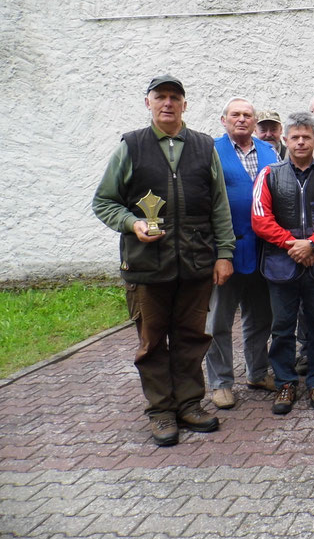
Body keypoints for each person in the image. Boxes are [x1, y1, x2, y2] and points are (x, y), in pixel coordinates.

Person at [92, 75, 235, 447]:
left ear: (185, 104)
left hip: (196, 261)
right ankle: (160, 411)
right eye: (161, 97)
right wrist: (132, 223)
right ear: (148, 103)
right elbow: (104, 201)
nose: (168, 103)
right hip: (146, 264)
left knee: (191, 337)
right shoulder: (131, 147)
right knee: (152, 341)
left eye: (175, 97)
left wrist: (224, 254)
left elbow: (219, 206)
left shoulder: (205, 147)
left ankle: (189, 404)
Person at [251, 112, 314, 414]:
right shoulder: (269, 175)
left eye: (307, 136)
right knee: (281, 327)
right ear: (285, 140)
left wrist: (313, 243)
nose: (301, 141)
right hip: (282, 264)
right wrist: (293, 244)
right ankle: (285, 383)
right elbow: (260, 219)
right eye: (295, 137)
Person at [206, 98, 279, 411]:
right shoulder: (210, 151)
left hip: (263, 251)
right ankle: (221, 383)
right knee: (219, 320)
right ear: (224, 120)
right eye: (235, 115)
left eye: (247, 115)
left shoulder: (268, 152)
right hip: (227, 250)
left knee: (261, 317)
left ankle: (257, 372)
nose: (242, 119)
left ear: (254, 120)